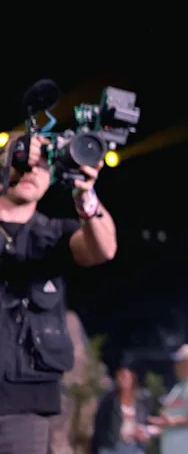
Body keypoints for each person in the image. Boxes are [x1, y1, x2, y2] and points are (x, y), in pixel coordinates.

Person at [0, 133, 117, 454]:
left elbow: (103, 249)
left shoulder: (53, 234)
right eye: (23, 161)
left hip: (23, 408)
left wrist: (86, 197)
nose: (30, 171)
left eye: (41, 165)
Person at [92, 365, 154, 454]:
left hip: (134, 446)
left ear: (132, 378)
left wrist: (144, 434)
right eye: (120, 376)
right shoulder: (110, 399)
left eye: (125, 377)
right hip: (112, 446)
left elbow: (145, 422)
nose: (122, 380)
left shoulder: (141, 400)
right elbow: (99, 423)